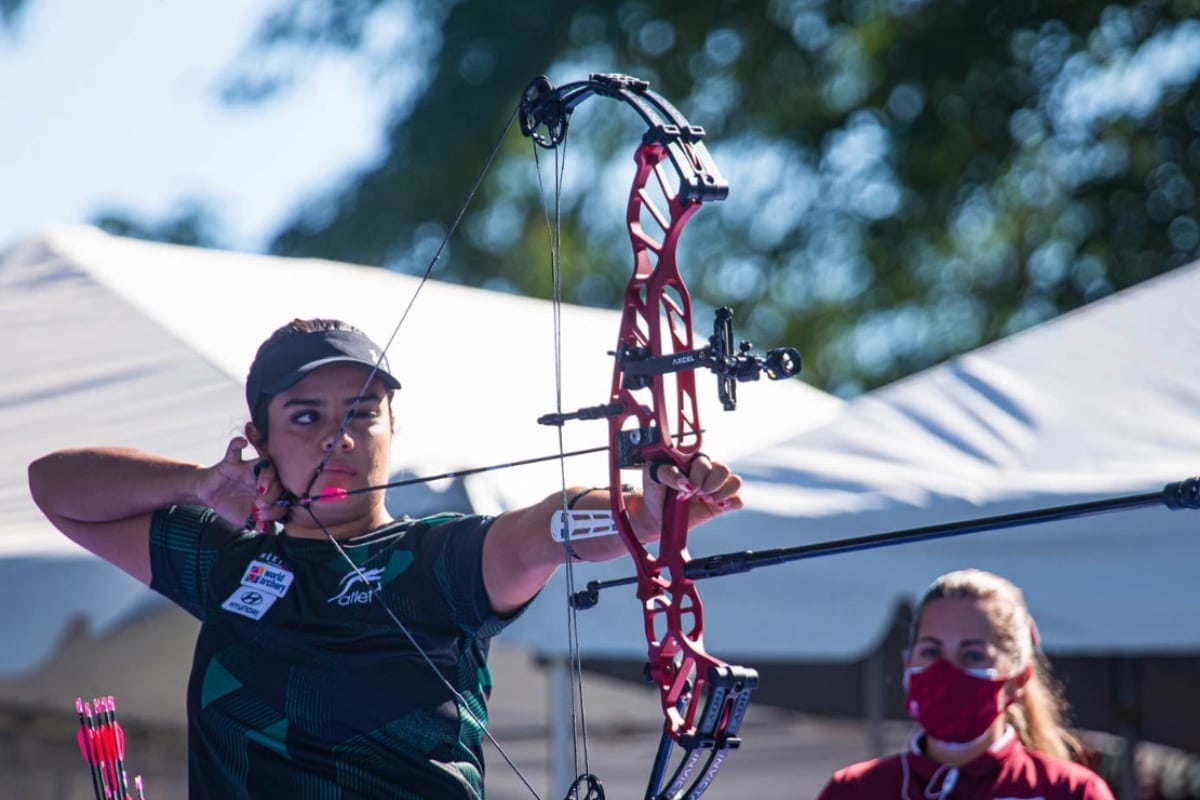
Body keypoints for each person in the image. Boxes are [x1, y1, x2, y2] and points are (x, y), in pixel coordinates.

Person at [27, 317, 744, 800]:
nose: (338, 440)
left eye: (363, 413)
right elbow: (54, 485)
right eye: (306, 418)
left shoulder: (436, 559)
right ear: (260, 437)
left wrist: (646, 511)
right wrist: (195, 483)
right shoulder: (223, 562)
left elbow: (541, 531)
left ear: (394, 424)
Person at [818, 568, 1115, 800]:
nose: (948, 670)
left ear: (1017, 679)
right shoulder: (854, 791)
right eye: (931, 651)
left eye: (972, 654)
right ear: (908, 663)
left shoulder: (1070, 792)